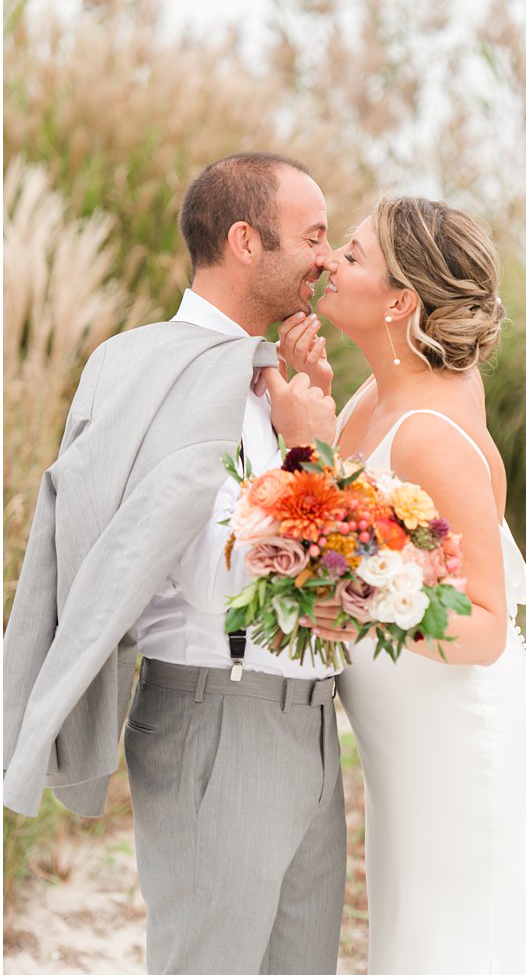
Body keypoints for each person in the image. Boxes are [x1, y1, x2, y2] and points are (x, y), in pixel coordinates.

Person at [3, 152, 345, 973]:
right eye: (314, 237)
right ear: (245, 241)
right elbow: (224, 572)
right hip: (217, 722)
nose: (328, 259)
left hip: (312, 726)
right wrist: (307, 457)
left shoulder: (278, 385)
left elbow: (308, 579)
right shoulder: (144, 371)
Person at [280, 195, 526, 974]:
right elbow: (340, 529)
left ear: (403, 300)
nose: (330, 263)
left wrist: (362, 604)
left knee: (457, 942)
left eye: (352, 252)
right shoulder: (374, 397)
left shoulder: (431, 436)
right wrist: (312, 420)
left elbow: (484, 628)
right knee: (415, 931)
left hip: (455, 723)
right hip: (404, 733)